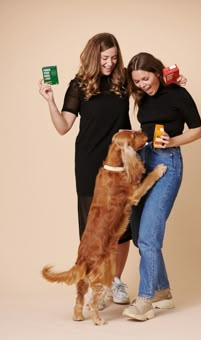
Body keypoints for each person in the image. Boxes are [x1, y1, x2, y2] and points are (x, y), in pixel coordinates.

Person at [38, 33, 131, 307]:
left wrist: (174, 85)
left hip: (120, 161)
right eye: (105, 58)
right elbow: (63, 126)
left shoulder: (123, 80)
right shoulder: (79, 85)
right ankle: (97, 285)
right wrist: (50, 101)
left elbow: (149, 86)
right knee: (93, 229)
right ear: (94, 57)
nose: (110, 63)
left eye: (114, 58)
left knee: (122, 226)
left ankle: (115, 280)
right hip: (89, 162)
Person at [122, 52, 201, 321]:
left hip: (167, 164)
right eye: (137, 81)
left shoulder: (179, 94)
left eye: (146, 78)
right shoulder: (141, 96)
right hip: (143, 162)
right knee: (138, 231)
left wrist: (173, 141)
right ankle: (162, 292)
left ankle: (144, 300)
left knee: (149, 235)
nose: (142, 84)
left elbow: (197, 130)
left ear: (157, 72)